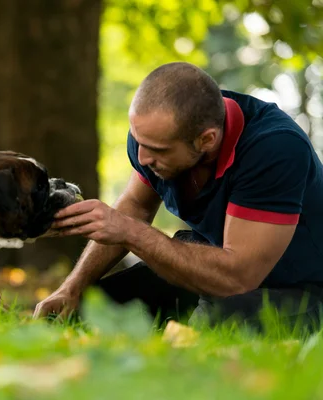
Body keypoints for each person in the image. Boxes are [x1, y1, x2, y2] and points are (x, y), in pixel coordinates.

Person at [35, 62, 323, 330]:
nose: (142, 157)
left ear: (206, 139)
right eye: (138, 141)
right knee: (89, 310)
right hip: (214, 272)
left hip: (303, 286)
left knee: (211, 324)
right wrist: (72, 287)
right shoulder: (156, 140)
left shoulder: (274, 149)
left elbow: (238, 277)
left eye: (157, 150)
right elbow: (135, 206)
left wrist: (130, 232)